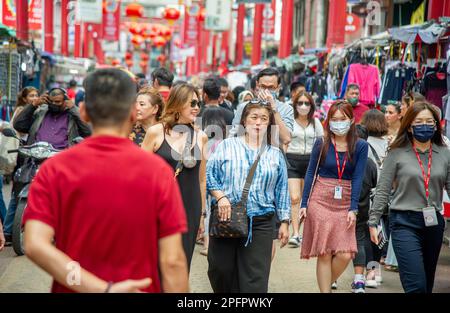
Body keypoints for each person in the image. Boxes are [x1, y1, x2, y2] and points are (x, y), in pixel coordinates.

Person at [23, 68, 189, 293]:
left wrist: (100, 289)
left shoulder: (54, 169)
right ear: (133, 112)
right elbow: (172, 261)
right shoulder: (157, 172)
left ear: (83, 112)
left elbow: (34, 244)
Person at [206, 100, 290, 293]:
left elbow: (282, 190)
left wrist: (285, 221)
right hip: (226, 217)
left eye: (263, 118)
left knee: (255, 278)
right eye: (254, 117)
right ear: (244, 120)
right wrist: (221, 197)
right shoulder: (226, 145)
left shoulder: (275, 154)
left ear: (269, 123)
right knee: (220, 270)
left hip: (261, 221)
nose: (258, 123)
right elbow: (210, 176)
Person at [369, 101, 449, 293]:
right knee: (416, 286)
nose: (425, 125)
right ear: (410, 126)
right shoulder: (396, 152)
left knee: (427, 283)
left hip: (433, 223)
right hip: (404, 223)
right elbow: (383, 189)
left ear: (437, 125)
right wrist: (373, 221)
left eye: (430, 122)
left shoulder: (444, 154)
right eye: (419, 121)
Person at [300, 100, 368, 293]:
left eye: (343, 119)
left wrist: (353, 207)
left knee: (345, 254)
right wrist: (304, 203)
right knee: (324, 252)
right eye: (334, 119)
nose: (338, 123)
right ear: (328, 121)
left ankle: (326, 283)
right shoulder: (321, 143)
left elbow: (358, 177)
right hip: (320, 199)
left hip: (345, 200)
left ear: (352, 120)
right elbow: (310, 172)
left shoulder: (361, 146)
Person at [142, 83, 208, 271]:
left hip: (189, 208)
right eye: (192, 103)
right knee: (155, 263)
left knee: (181, 264)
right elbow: (140, 175)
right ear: (178, 103)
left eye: (198, 103)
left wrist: (202, 215)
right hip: (158, 206)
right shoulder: (156, 132)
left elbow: (201, 180)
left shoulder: (201, 136)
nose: (197, 107)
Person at [2, 87, 39, 246]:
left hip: (33, 154)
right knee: (17, 194)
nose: (34, 97)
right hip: (20, 154)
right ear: (24, 98)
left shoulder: (38, 111)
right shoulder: (22, 111)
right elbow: (19, 128)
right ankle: (9, 230)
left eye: (36, 95)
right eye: (31, 95)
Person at [286, 91, 323, 247]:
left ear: (311, 106)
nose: (303, 106)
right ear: (295, 105)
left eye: (307, 103)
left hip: (310, 162)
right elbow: (284, 141)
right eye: (300, 103)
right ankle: (295, 233)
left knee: (306, 200)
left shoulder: (316, 123)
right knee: (294, 198)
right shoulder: (290, 122)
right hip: (292, 160)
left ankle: (301, 231)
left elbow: (322, 142)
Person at [231, 68, 294, 148]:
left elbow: (286, 139)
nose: (266, 91)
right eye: (263, 86)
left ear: (278, 87)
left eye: (271, 87)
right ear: (257, 85)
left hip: (273, 157)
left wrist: (273, 109)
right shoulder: (244, 107)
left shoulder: (286, 109)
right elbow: (234, 134)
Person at [13, 87, 92, 149]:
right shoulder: (41, 112)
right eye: (51, 101)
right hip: (36, 158)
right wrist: (33, 105)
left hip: (62, 159)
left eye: (57, 102)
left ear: (66, 101)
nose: (54, 104)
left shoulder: (72, 116)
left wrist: (73, 108)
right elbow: (19, 125)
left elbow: (88, 132)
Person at [351, 124, 378, 293]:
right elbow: (375, 186)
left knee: (335, 243)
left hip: (341, 207)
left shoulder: (343, 158)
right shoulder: (370, 163)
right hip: (362, 209)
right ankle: (360, 280)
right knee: (361, 241)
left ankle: (332, 279)